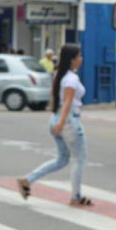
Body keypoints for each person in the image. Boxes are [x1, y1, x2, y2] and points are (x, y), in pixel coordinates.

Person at [16, 43, 91, 206]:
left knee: (62, 159)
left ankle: (27, 180)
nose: (81, 59)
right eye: (79, 56)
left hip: (56, 118)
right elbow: (68, 102)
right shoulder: (72, 78)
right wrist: (61, 122)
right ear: (72, 60)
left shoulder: (59, 75)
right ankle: (76, 197)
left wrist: (56, 121)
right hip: (68, 121)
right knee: (79, 159)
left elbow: (53, 97)